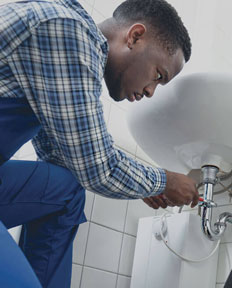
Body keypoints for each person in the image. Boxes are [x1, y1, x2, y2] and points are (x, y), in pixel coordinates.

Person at [0, 0, 199, 286]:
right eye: (158, 75)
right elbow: (97, 168)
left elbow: (62, 156)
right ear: (135, 36)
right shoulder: (67, 30)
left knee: (65, 189)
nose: (150, 91)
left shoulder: (66, 42)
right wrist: (165, 181)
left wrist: (140, 183)